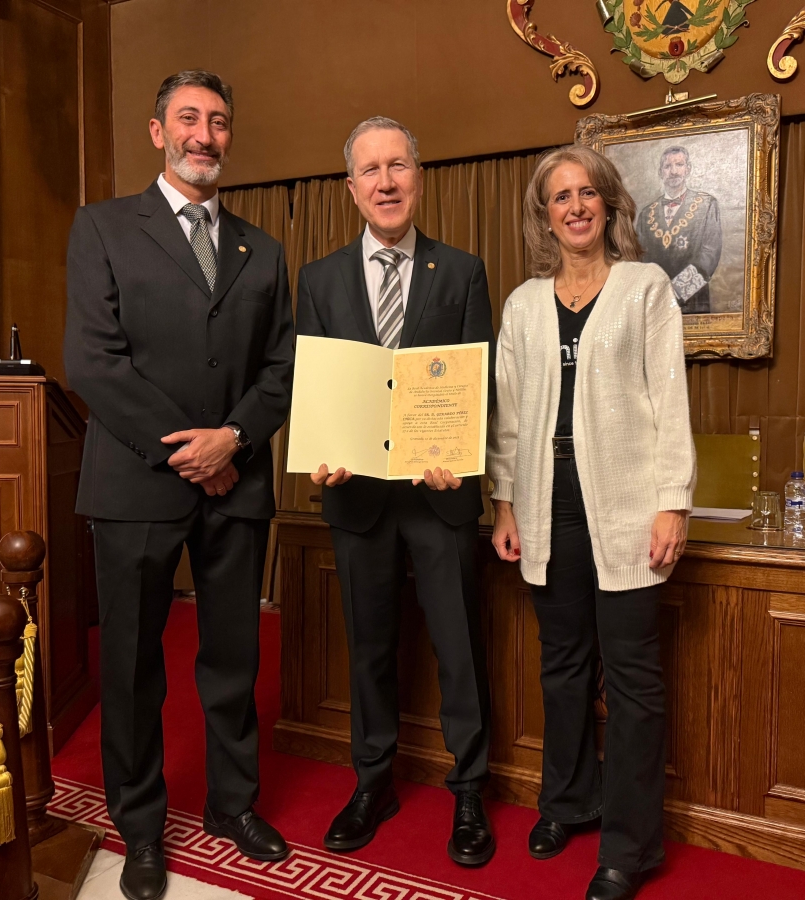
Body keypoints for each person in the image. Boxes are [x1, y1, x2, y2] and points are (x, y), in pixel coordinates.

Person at [64, 70, 294, 900]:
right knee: (131, 668)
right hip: (134, 488)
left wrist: (232, 438)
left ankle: (234, 806)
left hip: (236, 485)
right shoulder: (102, 229)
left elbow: (282, 367)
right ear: (157, 132)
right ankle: (141, 826)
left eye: (220, 122)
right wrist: (187, 450)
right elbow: (93, 360)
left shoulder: (261, 250)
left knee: (234, 659)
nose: (206, 134)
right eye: (189, 119)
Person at [488, 145, 696, 900]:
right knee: (563, 664)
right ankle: (567, 801)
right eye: (559, 197)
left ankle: (629, 846)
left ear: (608, 203)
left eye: (586, 193)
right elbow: (509, 418)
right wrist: (505, 501)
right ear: (544, 214)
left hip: (630, 502)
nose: (574, 206)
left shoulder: (645, 288)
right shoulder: (521, 304)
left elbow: (669, 399)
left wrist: (673, 497)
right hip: (548, 502)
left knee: (634, 679)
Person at [295, 116, 496, 866]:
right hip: (357, 499)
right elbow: (311, 385)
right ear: (351, 189)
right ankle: (371, 781)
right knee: (369, 648)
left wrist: (463, 456)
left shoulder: (463, 271)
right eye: (370, 171)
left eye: (398, 166)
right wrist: (320, 453)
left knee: (458, 648)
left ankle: (469, 790)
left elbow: (480, 387)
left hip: (440, 498)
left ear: (419, 175)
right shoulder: (317, 280)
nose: (385, 182)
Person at [637, 145, 722, 314]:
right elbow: (640, 260)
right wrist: (656, 296)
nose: (673, 171)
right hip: (655, 307)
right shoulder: (646, 214)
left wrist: (675, 293)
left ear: (688, 169)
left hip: (694, 303)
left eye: (679, 165)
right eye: (667, 166)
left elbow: (709, 255)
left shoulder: (707, 205)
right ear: (660, 172)